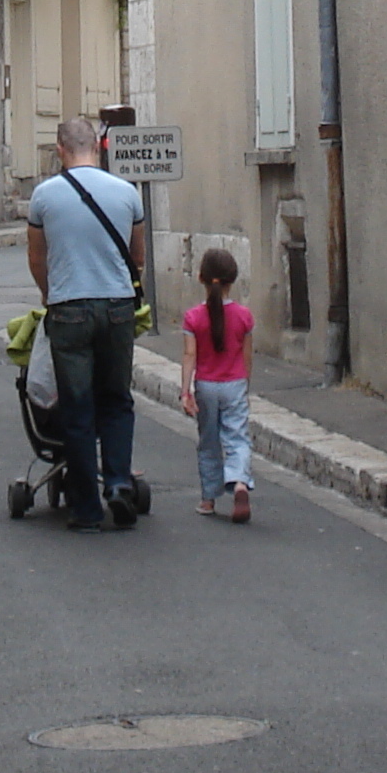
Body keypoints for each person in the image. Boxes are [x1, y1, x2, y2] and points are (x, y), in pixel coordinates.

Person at [25, 115, 148, 533]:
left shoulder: (44, 197)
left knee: (77, 408)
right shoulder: (127, 193)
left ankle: (86, 507)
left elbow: (37, 258)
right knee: (116, 400)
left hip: (69, 307)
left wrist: (49, 292)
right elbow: (138, 258)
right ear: (97, 145)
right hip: (116, 307)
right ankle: (117, 483)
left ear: (60, 149)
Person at [178, 246, 254, 522]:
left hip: (206, 386)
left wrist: (185, 391)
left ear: (201, 278)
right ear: (232, 280)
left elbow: (190, 356)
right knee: (237, 437)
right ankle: (240, 482)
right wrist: (247, 386)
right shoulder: (244, 316)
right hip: (234, 384)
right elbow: (247, 357)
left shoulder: (193, 317)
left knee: (208, 441)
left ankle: (208, 499)